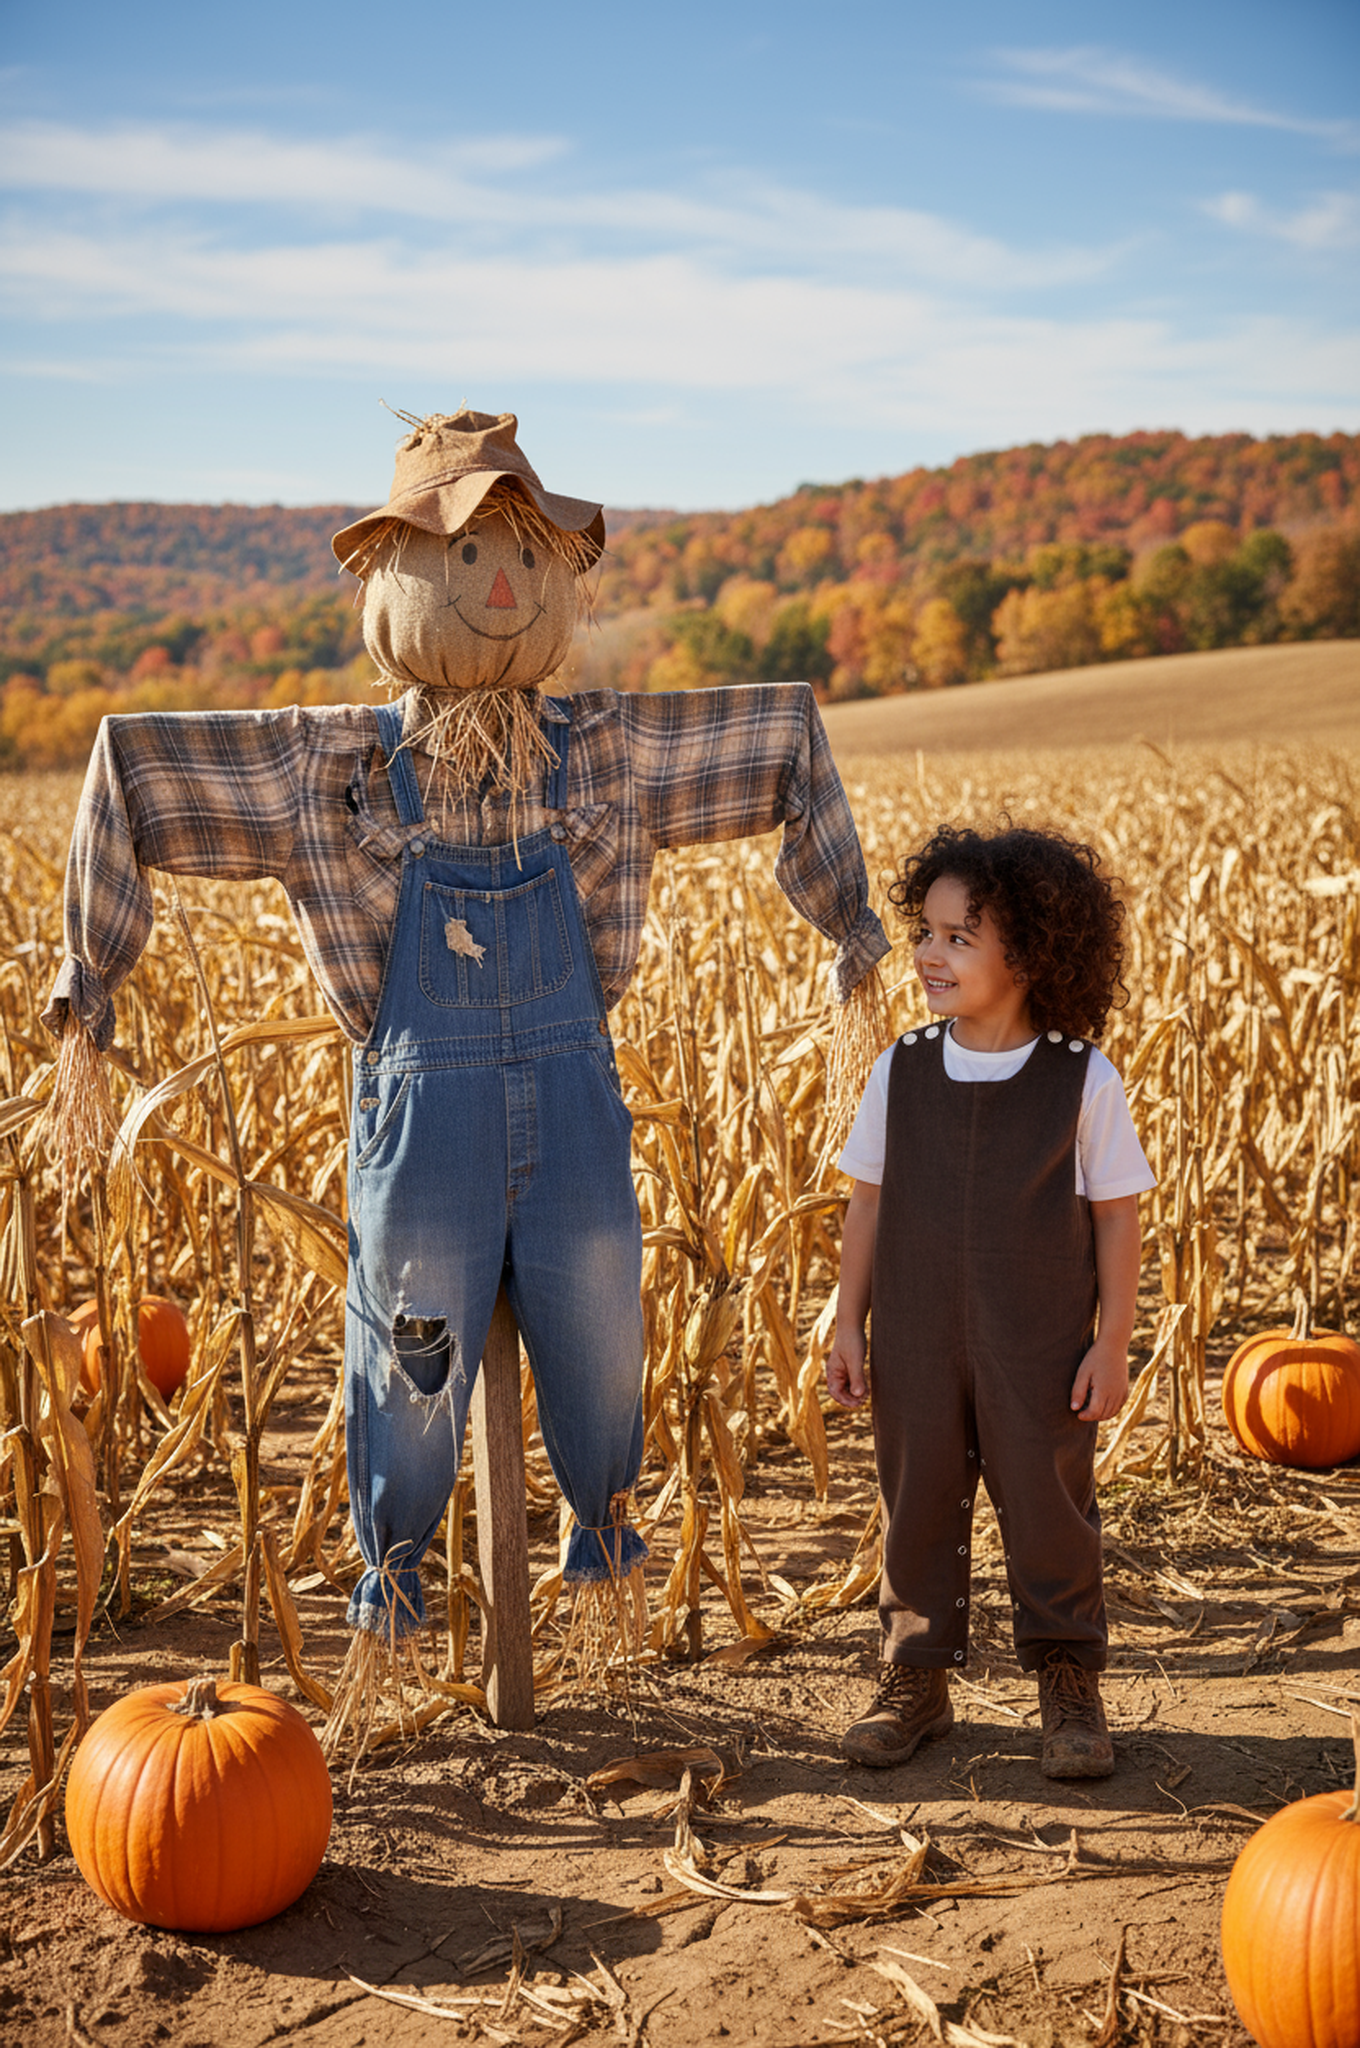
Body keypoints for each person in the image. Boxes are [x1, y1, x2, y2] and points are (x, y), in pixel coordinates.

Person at [826, 822, 1154, 1777]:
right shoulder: (903, 1068)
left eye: (960, 938)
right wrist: (848, 1322)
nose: (930, 955)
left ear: (1033, 951)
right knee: (915, 1495)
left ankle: (1067, 1679)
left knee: (1049, 1503)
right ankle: (916, 1677)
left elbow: (1118, 1220)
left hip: (1040, 1338)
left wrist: (1114, 1342)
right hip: (918, 1335)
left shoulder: (1081, 1079)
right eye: (926, 933)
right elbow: (867, 1203)